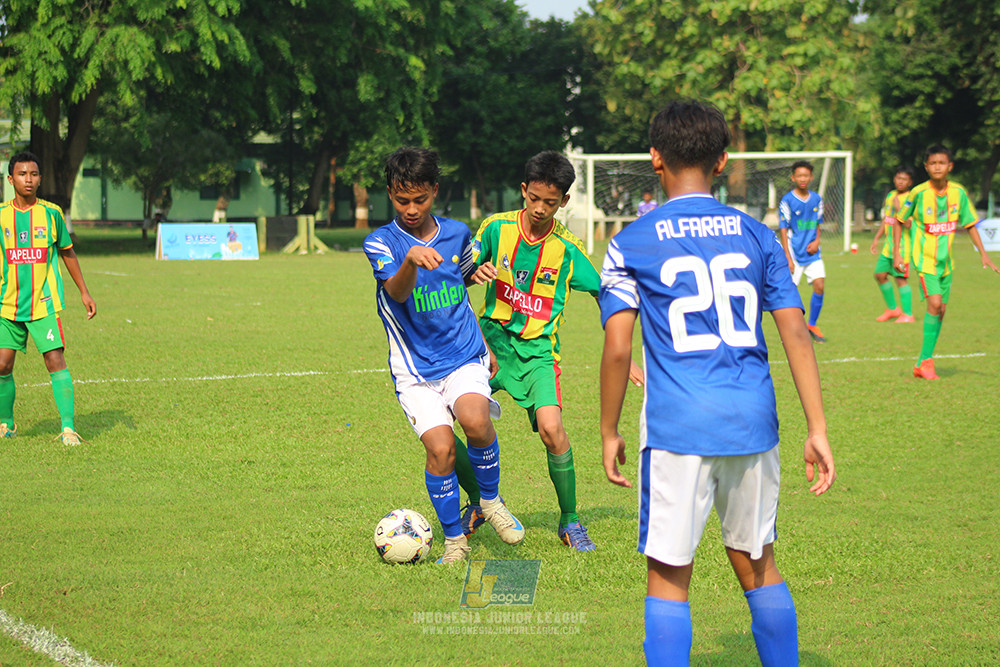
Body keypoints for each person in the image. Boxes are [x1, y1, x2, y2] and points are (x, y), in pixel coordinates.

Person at [599, 100, 836, 666]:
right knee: (758, 564)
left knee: (669, 575)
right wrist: (818, 426)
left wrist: (608, 430)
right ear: (723, 160)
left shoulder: (630, 241)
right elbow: (796, 334)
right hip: (753, 421)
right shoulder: (759, 235)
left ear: (654, 158)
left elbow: (617, 348)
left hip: (678, 425)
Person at [464, 150, 643, 552]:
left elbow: (605, 293)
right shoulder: (496, 228)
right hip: (489, 344)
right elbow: (460, 274)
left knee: (552, 430)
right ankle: (480, 502)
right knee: (448, 419)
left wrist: (624, 349)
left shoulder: (568, 248)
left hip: (539, 354)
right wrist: (474, 273)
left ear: (563, 201)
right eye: (535, 199)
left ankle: (570, 520)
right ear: (524, 191)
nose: (541, 209)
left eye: (551, 201)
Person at [362, 147, 524, 564]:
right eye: (402, 200)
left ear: (435, 190)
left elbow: (460, 272)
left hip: (461, 356)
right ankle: (455, 540)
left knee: (475, 419)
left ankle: (490, 501)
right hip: (415, 370)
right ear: (390, 194)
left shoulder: (456, 232)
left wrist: (476, 273)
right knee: (440, 451)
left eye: (420, 199)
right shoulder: (380, 242)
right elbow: (396, 293)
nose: (411, 209)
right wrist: (411, 259)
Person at [0, 152, 97, 445]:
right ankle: (6, 424)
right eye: (22, 174)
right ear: (10, 179)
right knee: (2, 365)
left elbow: (67, 252)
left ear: (40, 178)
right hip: (7, 304)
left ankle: (68, 428)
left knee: (55, 360)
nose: (28, 180)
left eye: (34, 174)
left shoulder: (51, 213)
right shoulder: (2, 215)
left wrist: (84, 291)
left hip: (43, 304)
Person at [891, 144, 999, 380]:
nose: (937, 167)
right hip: (924, 261)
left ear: (949, 166)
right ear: (926, 166)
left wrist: (984, 253)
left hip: (946, 264)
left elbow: (970, 224)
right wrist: (898, 254)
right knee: (935, 304)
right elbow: (899, 220)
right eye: (933, 163)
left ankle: (922, 361)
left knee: (941, 311)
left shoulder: (958, 193)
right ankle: (927, 362)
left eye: (942, 163)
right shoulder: (918, 193)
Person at [778, 161, 827, 342]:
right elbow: (783, 228)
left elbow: (818, 223)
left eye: (806, 175)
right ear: (793, 178)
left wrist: (817, 241)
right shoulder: (787, 200)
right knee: (790, 292)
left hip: (813, 251)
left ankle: (812, 325)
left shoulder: (816, 199)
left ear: (811, 177)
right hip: (794, 250)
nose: (803, 179)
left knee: (820, 285)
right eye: (799, 176)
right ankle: (793, 329)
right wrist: (787, 257)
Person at [871, 166, 916, 323]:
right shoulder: (891, 195)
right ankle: (892, 309)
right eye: (898, 178)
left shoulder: (911, 198)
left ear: (910, 182)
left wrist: (899, 208)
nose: (900, 182)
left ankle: (908, 314)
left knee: (900, 279)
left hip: (903, 248)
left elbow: (910, 224)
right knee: (879, 274)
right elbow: (888, 219)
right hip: (888, 247)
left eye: (904, 179)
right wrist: (877, 238)